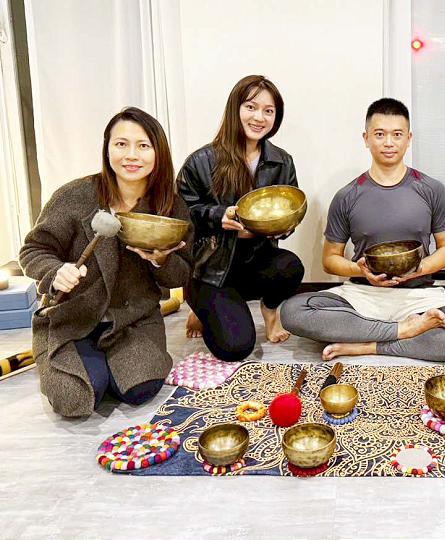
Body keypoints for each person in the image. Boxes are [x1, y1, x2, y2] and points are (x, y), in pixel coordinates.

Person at [281, 98, 445, 361]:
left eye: (397, 134)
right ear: (366, 138)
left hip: (419, 295)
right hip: (362, 294)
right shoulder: (347, 195)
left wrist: (419, 269)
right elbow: (330, 259)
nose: (389, 143)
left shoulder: (431, 189)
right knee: (293, 311)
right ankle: (402, 331)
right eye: (380, 134)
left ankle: (369, 344)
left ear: (409, 138)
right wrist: (360, 270)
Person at [19, 107, 192, 417]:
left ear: (158, 152)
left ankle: (107, 364)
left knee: (140, 390)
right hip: (73, 316)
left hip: (134, 320)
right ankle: (82, 361)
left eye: (143, 145)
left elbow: (181, 274)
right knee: (75, 400)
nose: (131, 155)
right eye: (121, 144)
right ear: (107, 148)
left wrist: (162, 260)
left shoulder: (169, 204)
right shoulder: (75, 196)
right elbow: (33, 250)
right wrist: (55, 272)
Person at [178, 75, 304, 361]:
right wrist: (217, 216)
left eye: (268, 111)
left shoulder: (282, 161)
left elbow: (290, 212)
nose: (259, 117)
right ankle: (201, 307)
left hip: (254, 262)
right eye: (251, 107)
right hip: (210, 270)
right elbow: (182, 215)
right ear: (235, 108)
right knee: (235, 348)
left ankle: (269, 311)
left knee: (291, 267)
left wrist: (281, 228)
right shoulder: (201, 161)